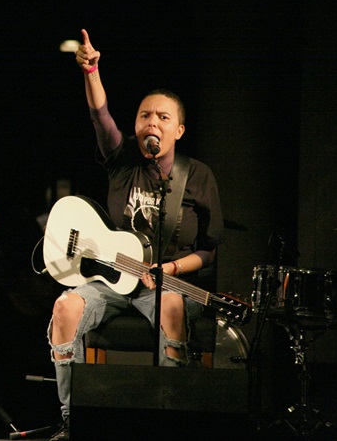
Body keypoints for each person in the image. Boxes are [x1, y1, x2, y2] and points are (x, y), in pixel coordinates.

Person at [46, 30, 224, 441]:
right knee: (65, 308)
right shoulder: (123, 159)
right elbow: (100, 116)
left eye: (163, 117)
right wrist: (91, 71)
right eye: (145, 115)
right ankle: (72, 419)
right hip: (111, 281)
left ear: (178, 130)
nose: (153, 122)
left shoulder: (197, 177)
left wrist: (172, 268)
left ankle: (168, 418)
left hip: (166, 284)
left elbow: (209, 250)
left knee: (172, 306)